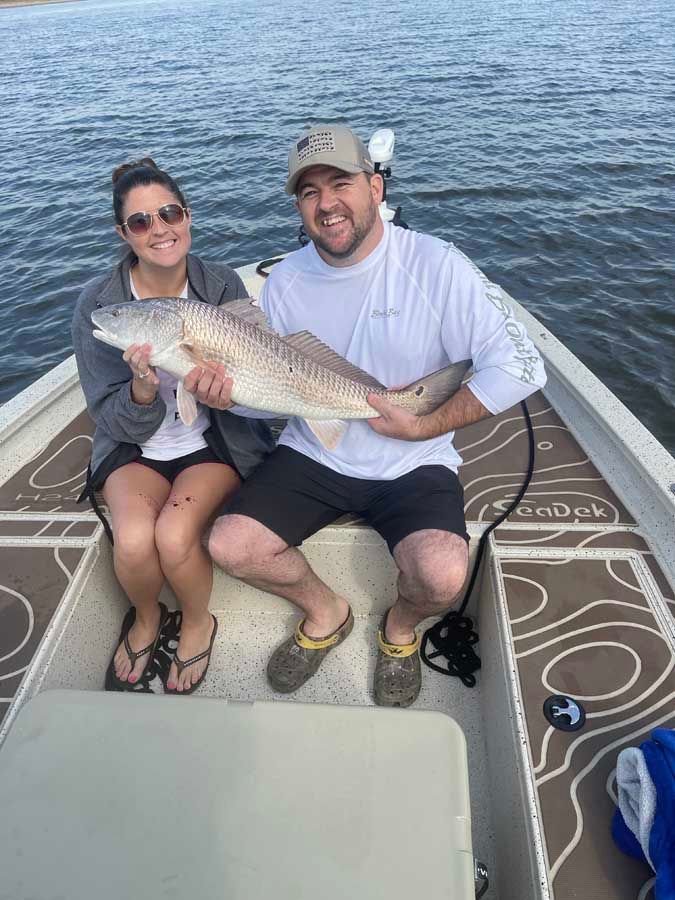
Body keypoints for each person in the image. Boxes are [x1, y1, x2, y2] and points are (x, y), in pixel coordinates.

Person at [201, 124, 547, 707]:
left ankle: (400, 630)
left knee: (442, 574)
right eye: (308, 193)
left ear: (376, 188)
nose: (326, 203)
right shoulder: (284, 280)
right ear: (298, 208)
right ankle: (326, 612)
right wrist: (227, 394)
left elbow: (522, 365)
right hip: (315, 448)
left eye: (340, 183)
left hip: (414, 458)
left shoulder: (436, 264)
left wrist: (424, 424)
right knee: (231, 546)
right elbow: (271, 390)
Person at [72, 158, 274, 695]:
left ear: (187, 216)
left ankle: (197, 620)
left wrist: (224, 394)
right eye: (140, 222)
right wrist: (141, 391)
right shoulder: (97, 305)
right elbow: (104, 412)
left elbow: (252, 384)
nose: (159, 229)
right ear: (124, 234)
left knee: (174, 533)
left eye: (169, 213)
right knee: (135, 540)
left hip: (208, 441)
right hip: (133, 446)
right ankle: (144, 616)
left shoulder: (221, 282)